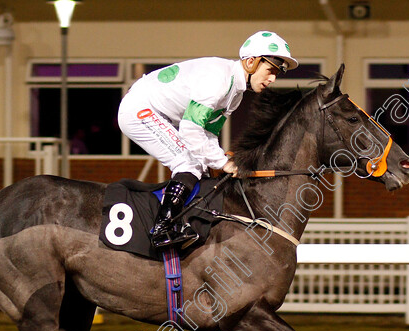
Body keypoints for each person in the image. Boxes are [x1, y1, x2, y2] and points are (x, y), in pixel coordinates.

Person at [118, 31, 298, 249]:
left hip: (160, 113)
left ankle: (183, 222)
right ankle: (161, 229)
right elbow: (191, 129)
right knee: (188, 163)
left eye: (277, 73)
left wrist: (219, 159)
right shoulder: (219, 80)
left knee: (201, 166)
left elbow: (207, 134)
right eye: (270, 70)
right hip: (140, 109)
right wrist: (222, 163)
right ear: (251, 62)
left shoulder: (235, 93)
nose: (272, 79)